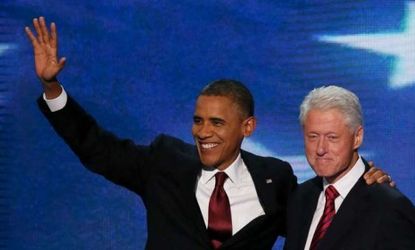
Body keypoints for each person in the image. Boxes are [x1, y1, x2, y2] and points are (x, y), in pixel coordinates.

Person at [25, 17, 392, 250]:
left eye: (217, 123)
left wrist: (367, 181)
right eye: (198, 120)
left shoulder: (274, 178)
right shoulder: (165, 162)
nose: (203, 132)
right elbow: (96, 148)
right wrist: (53, 88)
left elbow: (323, 218)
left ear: (248, 127)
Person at [284, 85, 415, 250]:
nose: (320, 149)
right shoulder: (300, 197)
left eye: (332, 137)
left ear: (357, 137)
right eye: (313, 136)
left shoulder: (389, 207)